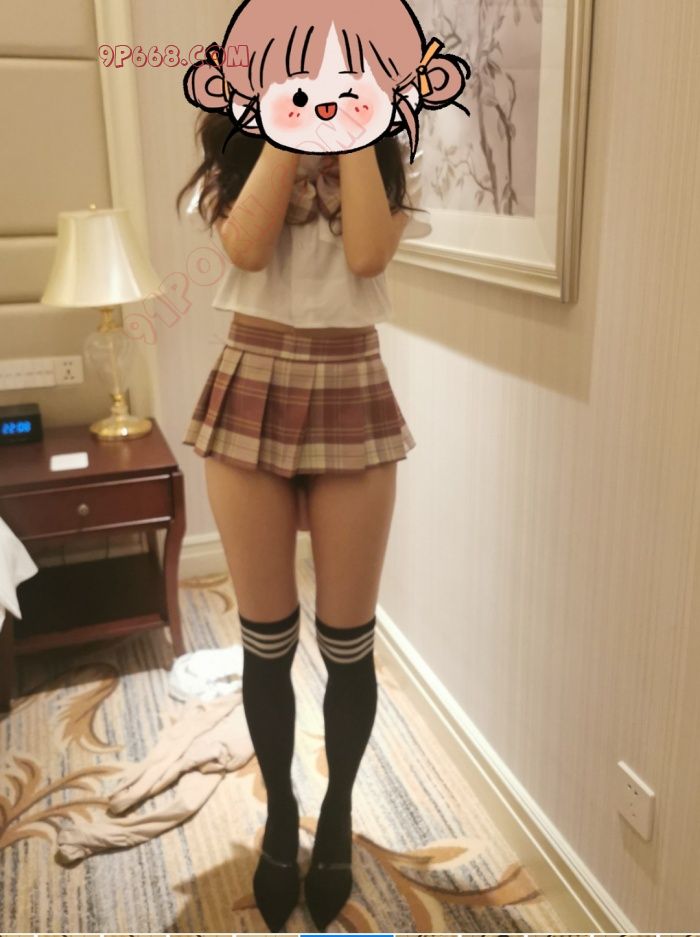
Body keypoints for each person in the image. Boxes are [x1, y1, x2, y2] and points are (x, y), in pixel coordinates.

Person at [176, 2, 470, 930]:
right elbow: (245, 245)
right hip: (250, 383)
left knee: (349, 644)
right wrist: (288, 122)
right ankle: (281, 817)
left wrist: (355, 126)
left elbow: (370, 253)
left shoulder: (383, 153)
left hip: (352, 386)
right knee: (265, 641)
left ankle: (336, 811)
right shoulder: (232, 151)